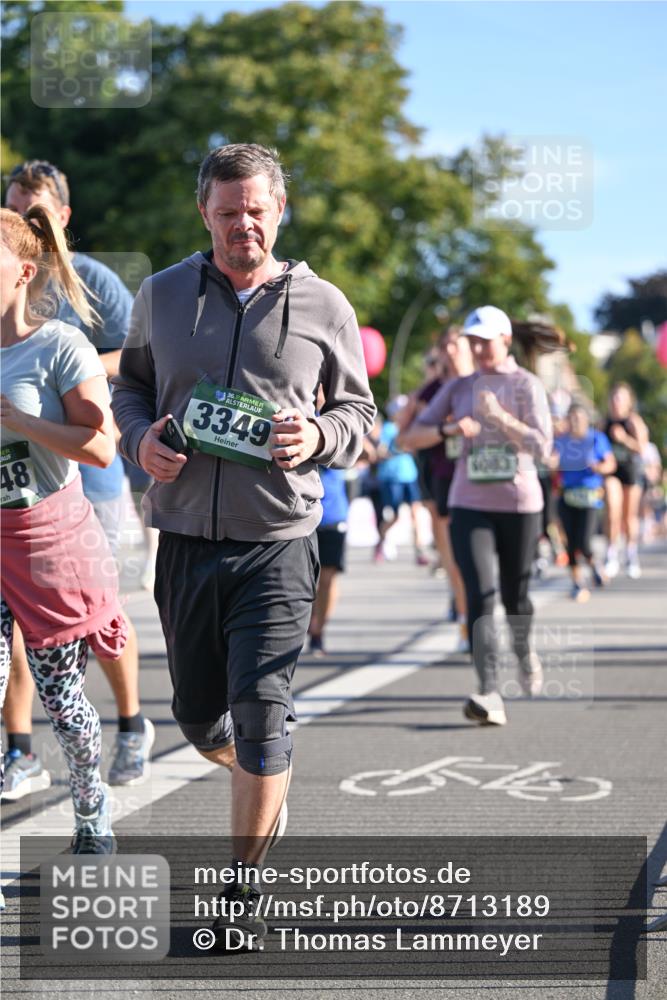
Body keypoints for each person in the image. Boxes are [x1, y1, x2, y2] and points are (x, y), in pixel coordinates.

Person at [111, 143, 375, 949]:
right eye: (227, 213)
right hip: (186, 539)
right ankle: (264, 777)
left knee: (263, 713)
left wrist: (319, 434)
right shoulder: (161, 295)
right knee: (198, 717)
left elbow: (362, 420)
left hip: (279, 541)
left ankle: (243, 891)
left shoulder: (325, 304)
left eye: (256, 210)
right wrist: (138, 440)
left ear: (279, 211)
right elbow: (130, 388)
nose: (242, 226)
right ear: (205, 214)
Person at [3, 160, 153, 796]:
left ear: (61, 214)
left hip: (83, 482)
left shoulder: (91, 281)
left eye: (32, 204)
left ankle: (131, 721)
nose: (23, 212)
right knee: (15, 624)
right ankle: (20, 751)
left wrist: (79, 370)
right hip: (13, 492)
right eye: (13, 202)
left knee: (100, 617)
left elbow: (139, 356)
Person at [398, 305, 552, 726]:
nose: (479, 347)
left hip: (520, 504)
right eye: (474, 340)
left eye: (486, 339)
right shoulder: (459, 387)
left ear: (505, 340)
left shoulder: (526, 384)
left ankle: (523, 650)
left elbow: (542, 446)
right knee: (481, 595)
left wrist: (500, 419)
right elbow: (407, 437)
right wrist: (449, 429)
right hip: (469, 504)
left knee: (515, 595)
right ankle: (488, 691)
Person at [396, 326, 474, 650]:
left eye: (457, 344)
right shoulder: (432, 392)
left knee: (481, 555)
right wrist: (447, 430)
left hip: (485, 480)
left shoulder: (490, 382)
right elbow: (404, 437)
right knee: (453, 556)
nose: (451, 351)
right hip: (443, 476)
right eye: (446, 345)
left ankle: (475, 606)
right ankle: (466, 619)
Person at [553, 403, 616, 601]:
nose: (575, 422)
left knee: (584, 541)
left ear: (587, 420)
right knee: (571, 544)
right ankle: (577, 583)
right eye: (571, 418)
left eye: (579, 418)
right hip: (568, 496)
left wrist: (598, 467)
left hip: (589, 496)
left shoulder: (597, 438)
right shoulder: (561, 442)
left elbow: (610, 463)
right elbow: (552, 461)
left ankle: (595, 565)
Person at [308, 390, 350, 657]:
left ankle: (318, 631)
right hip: (300, 512)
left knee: (328, 578)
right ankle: (304, 626)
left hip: (333, 512)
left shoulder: (341, 416)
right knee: (303, 581)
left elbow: (365, 451)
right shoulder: (295, 409)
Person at [603, 382, 649, 579]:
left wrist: (624, 439)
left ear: (628, 401)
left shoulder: (633, 422)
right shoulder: (603, 423)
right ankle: (611, 553)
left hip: (630, 470)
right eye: (613, 397)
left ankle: (631, 555)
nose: (616, 402)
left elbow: (643, 448)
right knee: (612, 511)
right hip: (612, 472)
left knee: (629, 517)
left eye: (620, 398)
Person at [373, 397, 429, 563]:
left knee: (415, 512)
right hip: (392, 477)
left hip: (409, 475)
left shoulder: (410, 427)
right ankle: (380, 543)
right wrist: (397, 450)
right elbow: (381, 451)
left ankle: (420, 552)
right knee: (395, 516)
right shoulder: (389, 428)